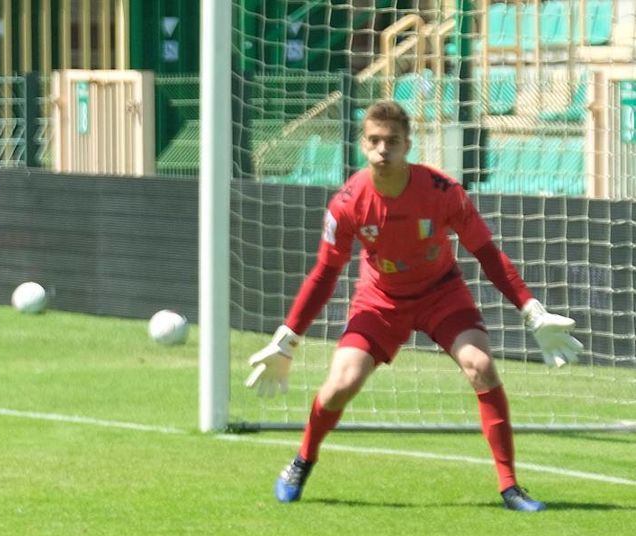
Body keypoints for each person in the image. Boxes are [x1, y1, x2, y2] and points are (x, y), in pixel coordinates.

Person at [246, 99, 582, 511]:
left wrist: (530, 308)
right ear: (362, 144)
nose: (382, 150)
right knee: (340, 386)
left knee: (481, 365)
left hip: (441, 292)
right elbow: (324, 273)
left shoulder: (443, 192)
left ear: (408, 145)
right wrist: (289, 337)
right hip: (380, 299)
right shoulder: (348, 203)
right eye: (373, 141)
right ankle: (302, 459)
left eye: (391, 142)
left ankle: (511, 487)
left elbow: (486, 252)